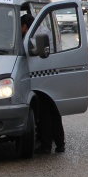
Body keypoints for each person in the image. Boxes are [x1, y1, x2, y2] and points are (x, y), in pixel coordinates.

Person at [21, 13, 65, 154]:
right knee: (54, 112)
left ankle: (46, 145)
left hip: (42, 76)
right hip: (50, 74)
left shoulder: (35, 35)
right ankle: (59, 143)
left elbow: (31, 51)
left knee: (45, 113)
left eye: (21, 28)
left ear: (25, 26)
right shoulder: (44, 30)